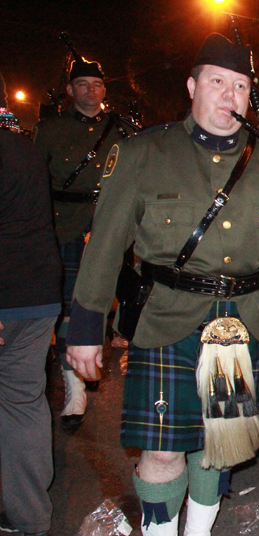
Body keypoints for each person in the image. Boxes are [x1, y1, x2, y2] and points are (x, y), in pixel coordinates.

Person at [65, 34, 259, 536]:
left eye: (241, 85)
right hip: (171, 317)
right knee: (165, 447)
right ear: (193, 87)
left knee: (222, 440)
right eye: (218, 82)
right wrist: (84, 330)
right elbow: (106, 246)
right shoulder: (145, 152)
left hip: (245, 319)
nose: (230, 94)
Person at [32, 56, 138, 427]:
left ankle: (91, 357)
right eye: (82, 84)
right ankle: (74, 385)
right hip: (64, 226)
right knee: (69, 305)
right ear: (69, 90)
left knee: (108, 303)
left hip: (109, 224)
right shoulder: (49, 129)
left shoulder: (121, 130)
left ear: (104, 90)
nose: (90, 90)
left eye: (96, 84)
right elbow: (36, 184)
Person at [0, 76, 62, 536]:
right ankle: (30, 513)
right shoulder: (24, 148)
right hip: (39, 293)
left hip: (8, 297)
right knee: (24, 402)